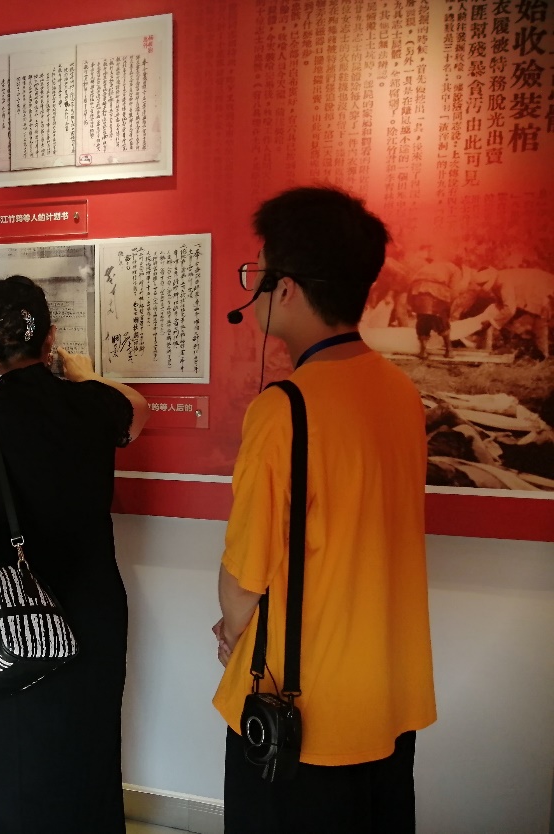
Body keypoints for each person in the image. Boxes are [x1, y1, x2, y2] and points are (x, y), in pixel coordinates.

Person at [212, 186, 437, 833]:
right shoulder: (400, 392)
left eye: (257, 271)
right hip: (388, 700)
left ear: (285, 288)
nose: (253, 286)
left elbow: (244, 583)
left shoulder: (284, 410)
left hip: (301, 718)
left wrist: (232, 631)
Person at [0, 275, 149, 834]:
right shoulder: (94, 403)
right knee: (90, 756)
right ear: (50, 337)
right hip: (96, 607)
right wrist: (83, 374)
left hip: (15, 621)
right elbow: (138, 408)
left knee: (18, 766)